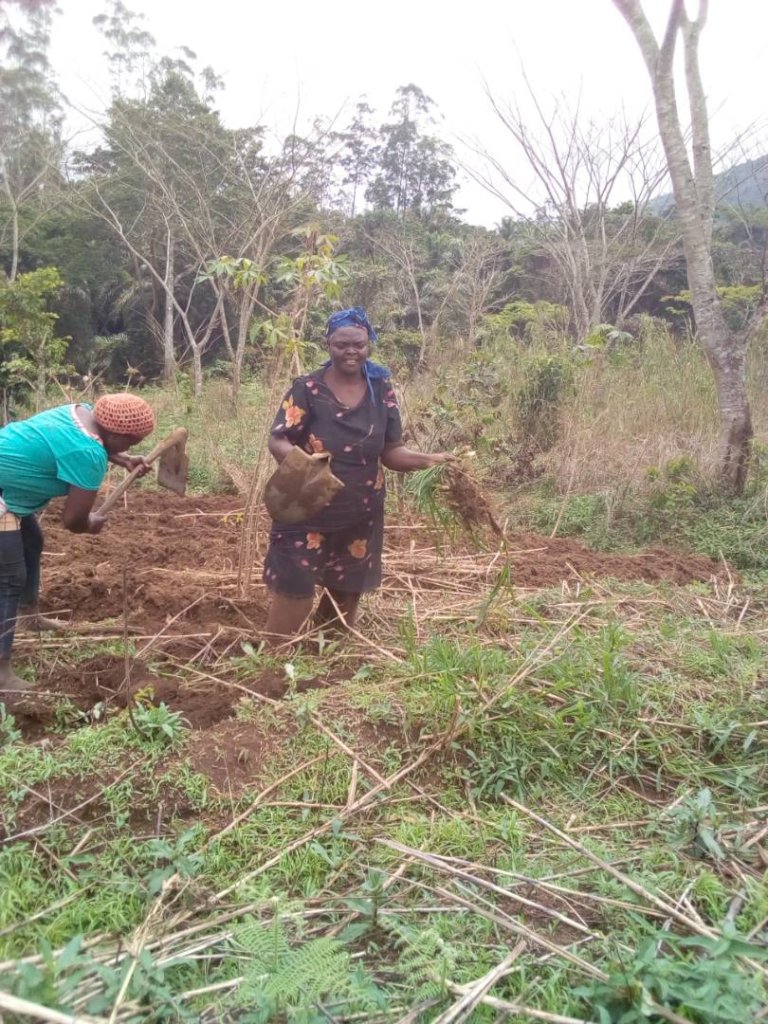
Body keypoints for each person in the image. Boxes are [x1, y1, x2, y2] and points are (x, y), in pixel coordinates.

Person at [263, 307, 453, 642]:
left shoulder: (382, 390)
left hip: (361, 511)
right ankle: (275, 659)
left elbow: (392, 452)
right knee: (295, 582)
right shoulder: (307, 388)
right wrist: (307, 468)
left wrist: (432, 460)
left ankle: (327, 655)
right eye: (341, 344)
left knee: (348, 584)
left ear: (369, 344)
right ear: (328, 345)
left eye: (359, 344)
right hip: (308, 505)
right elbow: (279, 438)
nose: (351, 351)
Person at [0, 393, 156, 690]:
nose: (133, 448)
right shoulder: (88, 453)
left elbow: (79, 445)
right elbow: (73, 521)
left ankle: (29, 616)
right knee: (8, 579)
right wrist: (91, 523)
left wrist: (122, 458)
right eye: (130, 443)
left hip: (7, 479)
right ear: (112, 433)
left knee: (31, 542)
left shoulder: (80, 413)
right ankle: (1, 673)